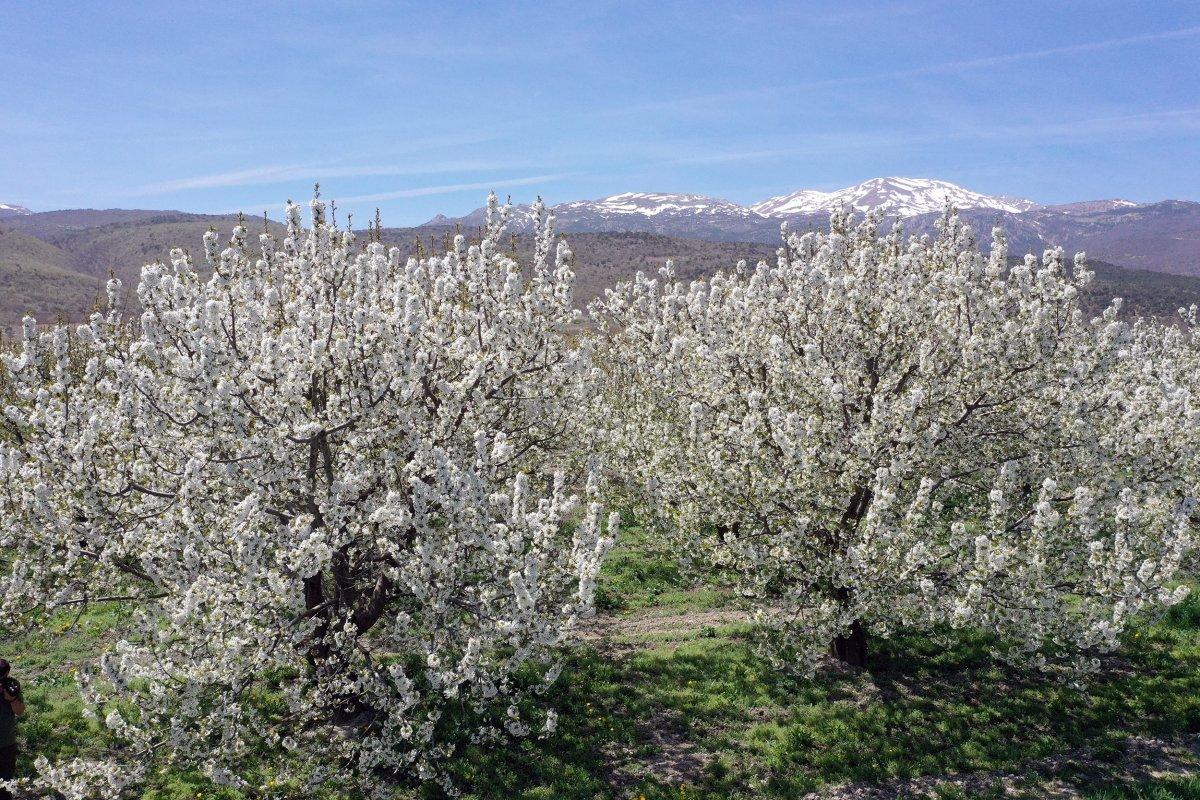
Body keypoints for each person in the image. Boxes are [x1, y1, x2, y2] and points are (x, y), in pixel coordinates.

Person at [0, 658, 23, 800]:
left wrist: (12, 699)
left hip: (6, 743)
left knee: (5, 785)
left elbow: (20, 711)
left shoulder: (12, 685)